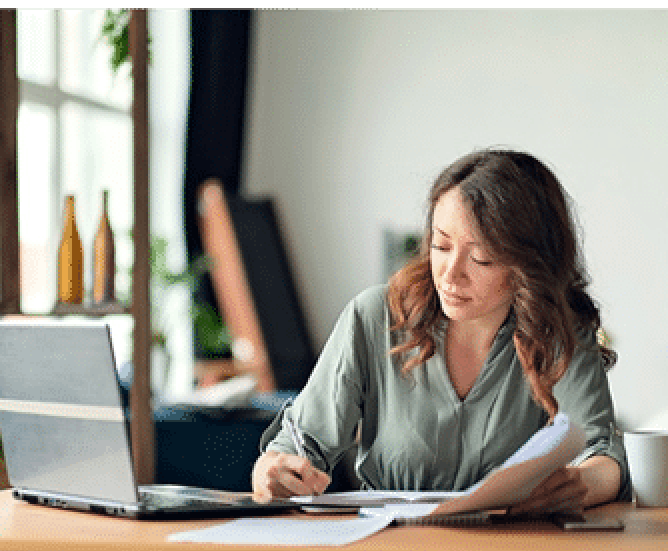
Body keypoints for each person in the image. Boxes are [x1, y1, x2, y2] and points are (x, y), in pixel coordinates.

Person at [252, 149, 630, 513]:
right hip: (391, 549)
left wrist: (582, 483)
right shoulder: (374, 317)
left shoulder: (559, 332)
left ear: (529, 266)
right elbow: (297, 447)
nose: (450, 274)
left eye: (480, 258)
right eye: (441, 245)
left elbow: (600, 454)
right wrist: (273, 472)